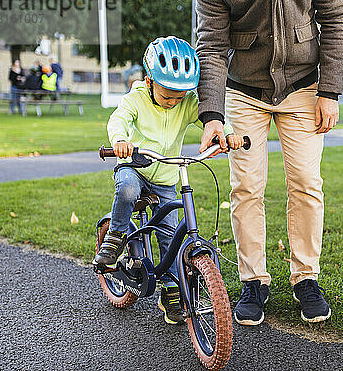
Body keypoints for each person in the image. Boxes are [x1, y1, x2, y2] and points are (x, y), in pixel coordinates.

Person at [195, 0, 343, 325]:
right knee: (246, 186)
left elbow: (335, 18)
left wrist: (329, 91)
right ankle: (253, 281)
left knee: (307, 183)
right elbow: (212, 45)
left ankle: (306, 277)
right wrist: (212, 115)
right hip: (244, 89)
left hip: (303, 86)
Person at [92, 36, 244, 324]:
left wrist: (228, 134)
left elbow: (210, 118)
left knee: (170, 234)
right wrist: (121, 140)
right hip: (134, 166)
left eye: (179, 96)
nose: (174, 102)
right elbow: (118, 120)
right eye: (167, 96)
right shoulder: (135, 99)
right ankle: (115, 237)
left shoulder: (185, 103)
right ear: (149, 81)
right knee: (126, 190)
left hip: (165, 176)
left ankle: (172, 292)